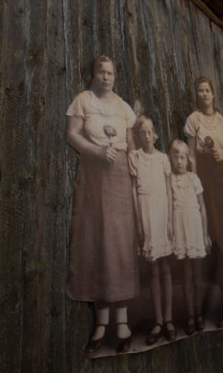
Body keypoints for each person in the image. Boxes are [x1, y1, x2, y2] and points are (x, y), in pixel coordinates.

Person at [66, 55, 139, 354]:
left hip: (120, 177)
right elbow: (71, 135)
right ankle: (100, 322)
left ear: (115, 76)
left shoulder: (123, 107)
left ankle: (121, 322)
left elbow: (132, 144)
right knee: (98, 243)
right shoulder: (83, 100)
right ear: (94, 75)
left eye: (111, 73)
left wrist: (136, 170)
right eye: (101, 72)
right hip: (94, 176)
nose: (106, 77)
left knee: (121, 243)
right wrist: (97, 152)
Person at [184, 76, 223, 327]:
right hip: (205, 179)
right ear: (197, 95)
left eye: (208, 90)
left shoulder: (222, 122)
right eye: (200, 90)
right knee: (217, 237)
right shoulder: (193, 120)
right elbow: (189, 153)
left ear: (213, 94)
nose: (204, 94)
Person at [128, 115, 175, 345]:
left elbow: (168, 190)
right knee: (153, 269)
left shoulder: (163, 159)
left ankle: (168, 319)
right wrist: (138, 222)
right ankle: (157, 320)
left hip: (161, 212)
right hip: (146, 214)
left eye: (149, 132)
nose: (147, 136)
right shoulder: (134, 158)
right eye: (142, 133)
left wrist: (169, 221)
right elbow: (135, 193)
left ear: (154, 133)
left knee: (166, 267)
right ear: (138, 136)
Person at [167, 139, 211, 335]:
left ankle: (200, 313)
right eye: (175, 157)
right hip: (180, 227)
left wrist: (205, 233)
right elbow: (168, 206)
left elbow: (202, 208)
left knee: (197, 274)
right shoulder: (170, 180)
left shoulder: (194, 178)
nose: (179, 161)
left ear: (187, 159)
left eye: (182, 157)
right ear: (171, 159)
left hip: (194, 227)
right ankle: (190, 315)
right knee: (186, 275)